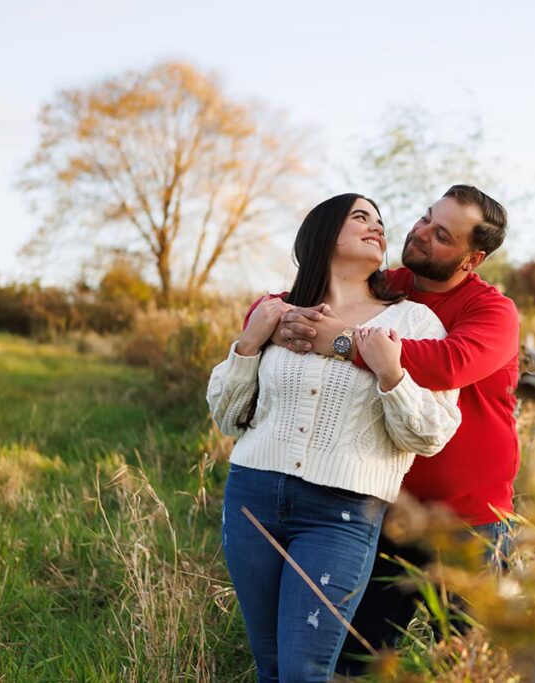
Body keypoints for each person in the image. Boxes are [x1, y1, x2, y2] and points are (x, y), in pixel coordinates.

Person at [206, 194, 462, 683]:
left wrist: (392, 375)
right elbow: (228, 416)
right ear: (323, 232)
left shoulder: (412, 323)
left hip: (342, 512)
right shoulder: (275, 313)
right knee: (272, 666)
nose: (377, 228)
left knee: (305, 671)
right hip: (252, 498)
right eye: (361, 217)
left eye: (381, 222)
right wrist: (248, 344)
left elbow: (430, 435)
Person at [265, 185, 519, 676]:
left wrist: (339, 342)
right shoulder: (389, 286)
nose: (420, 233)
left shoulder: (492, 311)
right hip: (383, 509)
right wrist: (278, 324)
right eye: (426, 218)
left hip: (469, 524)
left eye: (442, 235)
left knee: (470, 667)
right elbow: (283, 300)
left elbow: (448, 363)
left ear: (473, 258)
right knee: (352, 659)